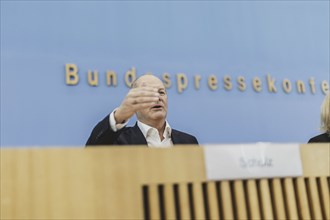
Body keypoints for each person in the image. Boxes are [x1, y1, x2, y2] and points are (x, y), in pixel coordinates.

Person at [86, 74, 198, 147]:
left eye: (161, 92)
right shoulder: (119, 141)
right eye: (149, 94)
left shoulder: (188, 142)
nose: (157, 98)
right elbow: (91, 153)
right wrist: (119, 115)